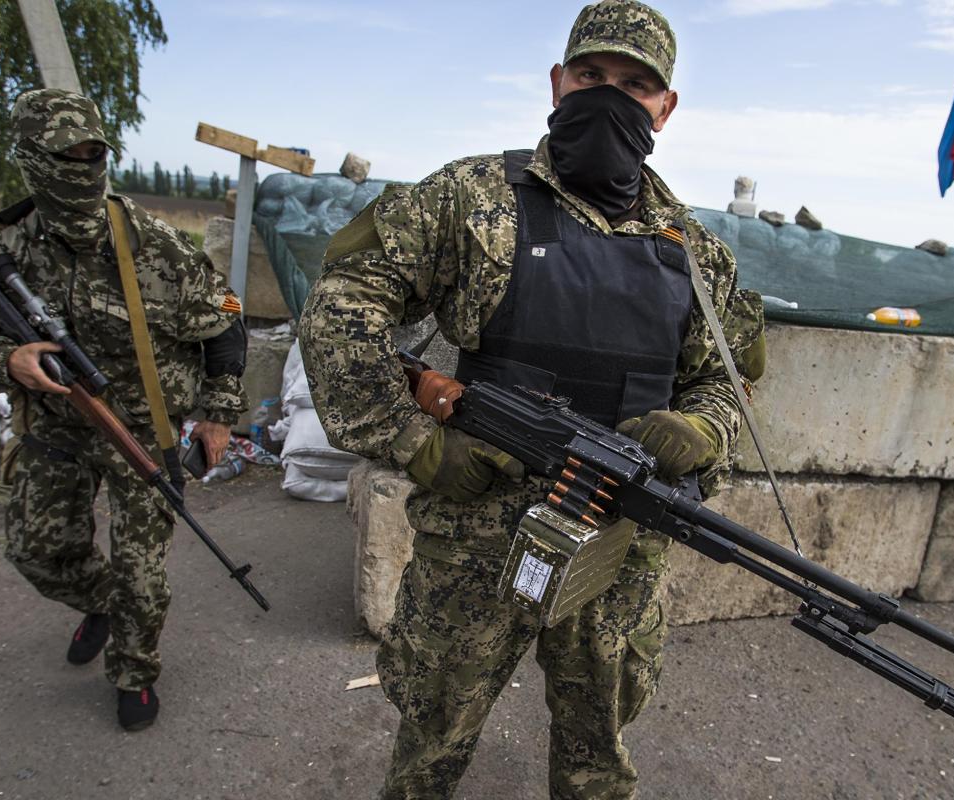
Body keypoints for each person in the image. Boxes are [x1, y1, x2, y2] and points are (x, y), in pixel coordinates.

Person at [300, 1, 765, 796]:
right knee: (433, 733)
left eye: (635, 83)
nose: (611, 97)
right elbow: (344, 299)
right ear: (557, 83)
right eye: (592, 76)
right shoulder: (473, 198)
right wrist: (413, 440)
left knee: (598, 748)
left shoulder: (694, 251)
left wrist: (702, 427)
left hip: (615, 539)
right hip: (477, 532)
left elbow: (724, 378)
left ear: (666, 107)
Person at [0, 88, 248, 732]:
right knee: (36, 551)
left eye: (94, 154)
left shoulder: (159, 246)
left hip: (144, 431)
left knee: (143, 572)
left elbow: (226, 321)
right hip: (56, 424)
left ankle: (134, 671)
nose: (84, 169)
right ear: (32, 160)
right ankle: (103, 603)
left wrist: (221, 413)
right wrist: (8, 361)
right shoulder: (8, 252)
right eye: (68, 156)